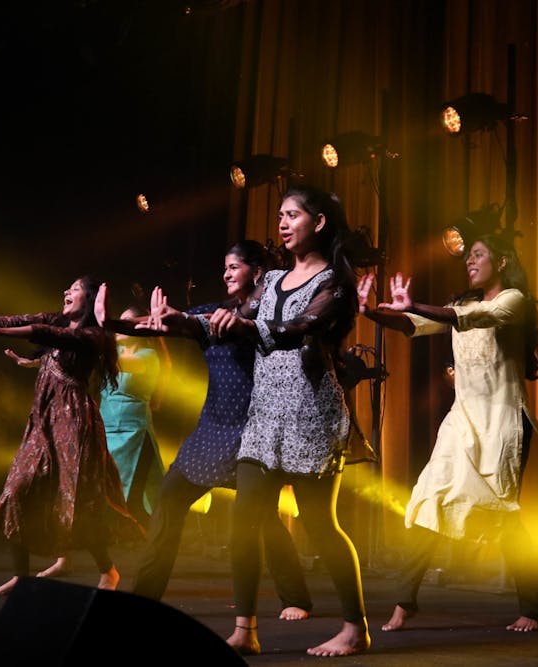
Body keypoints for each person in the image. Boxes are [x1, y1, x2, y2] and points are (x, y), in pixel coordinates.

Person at [182, 185, 375, 656]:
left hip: (311, 416)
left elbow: (300, 327)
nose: (283, 224)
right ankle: (245, 629)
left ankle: (355, 628)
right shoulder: (270, 280)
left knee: (321, 526)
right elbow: (231, 317)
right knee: (244, 523)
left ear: (319, 222)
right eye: (280, 216)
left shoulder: (335, 283)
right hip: (264, 417)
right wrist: (177, 321)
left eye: (292, 215)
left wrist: (248, 326)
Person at [356, 233, 538, 633]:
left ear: (502, 261)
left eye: (478, 254)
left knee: (502, 513)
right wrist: (373, 313)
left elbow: (470, 319)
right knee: (428, 502)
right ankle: (404, 602)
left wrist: (415, 305)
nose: (470, 262)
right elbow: (412, 325)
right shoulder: (462, 304)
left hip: (503, 424)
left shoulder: (513, 300)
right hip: (461, 422)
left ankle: (536, 602)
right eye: (468, 256)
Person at [104, 240, 313, 621]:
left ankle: (295, 597)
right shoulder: (212, 312)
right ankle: (144, 597)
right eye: (225, 267)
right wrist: (113, 324)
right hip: (213, 427)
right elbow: (162, 324)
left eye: (234, 267)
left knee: (262, 518)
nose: (226, 273)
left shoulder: (269, 316)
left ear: (257, 272)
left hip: (252, 429)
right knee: (169, 500)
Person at [0, 275, 143, 596]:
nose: (66, 291)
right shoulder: (58, 320)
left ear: (90, 299)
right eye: (68, 287)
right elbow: (23, 320)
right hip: (42, 421)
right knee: (17, 490)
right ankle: (22, 577)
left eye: (75, 289)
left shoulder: (93, 336)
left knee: (78, 502)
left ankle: (108, 569)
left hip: (74, 424)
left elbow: (45, 334)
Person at [32, 300, 169, 579]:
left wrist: (83, 342)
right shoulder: (110, 355)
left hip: (134, 436)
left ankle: (157, 557)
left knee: (134, 505)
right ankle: (66, 557)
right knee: (87, 494)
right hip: (105, 432)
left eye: (125, 324)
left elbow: (109, 360)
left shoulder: (148, 356)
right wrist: (41, 361)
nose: (117, 328)